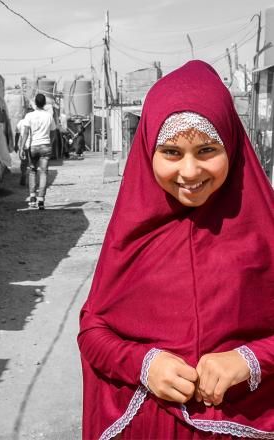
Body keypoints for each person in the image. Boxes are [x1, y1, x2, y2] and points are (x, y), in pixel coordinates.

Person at [77, 60, 274, 440]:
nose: (189, 171)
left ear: (231, 146)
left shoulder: (263, 229)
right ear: (149, 149)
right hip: (151, 426)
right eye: (170, 152)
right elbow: (93, 330)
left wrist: (248, 361)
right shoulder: (132, 233)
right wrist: (143, 364)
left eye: (206, 150)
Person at [20, 93, 56, 210]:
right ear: (45, 103)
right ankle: (41, 200)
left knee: (32, 171)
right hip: (45, 146)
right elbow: (54, 132)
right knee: (44, 172)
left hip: (33, 147)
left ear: (35, 103)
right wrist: (50, 143)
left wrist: (21, 148)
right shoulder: (49, 116)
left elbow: (25, 133)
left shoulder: (29, 116)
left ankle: (32, 198)